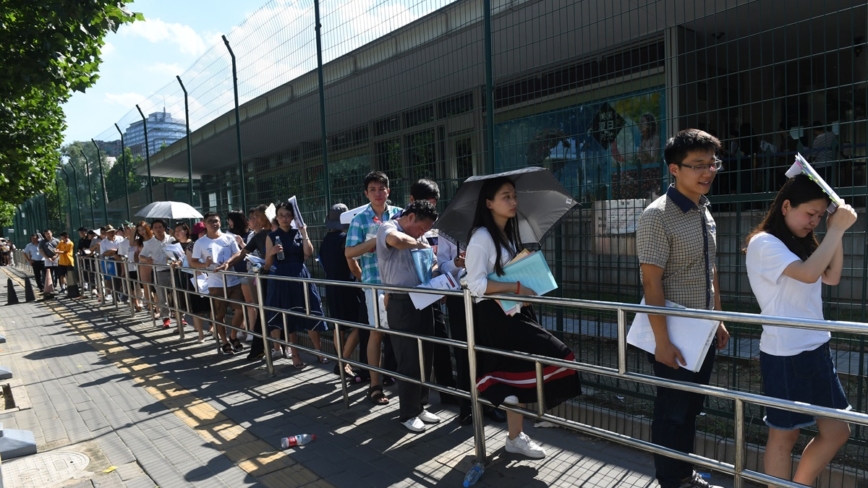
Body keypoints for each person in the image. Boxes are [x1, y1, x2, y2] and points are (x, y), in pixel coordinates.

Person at [744, 174, 856, 487]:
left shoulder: (799, 242)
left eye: (821, 217)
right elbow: (809, 274)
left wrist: (838, 232)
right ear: (786, 206)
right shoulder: (764, 243)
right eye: (810, 214)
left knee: (837, 432)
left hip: (815, 347)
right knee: (784, 434)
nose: (814, 222)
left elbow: (831, 276)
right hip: (785, 352)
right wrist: (835, 229)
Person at [636, 129, 730, 488]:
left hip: (702, 331)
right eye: (698, 165)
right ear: (674, 169)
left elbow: (710, 271)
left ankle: (684, 473)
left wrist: (718, 319)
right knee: (672, 411)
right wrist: (662, 342)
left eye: (712, 163)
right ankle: (671, 480)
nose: (708, 172)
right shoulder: (657, 215)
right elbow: (651, 283)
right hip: (673, 333)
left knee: (691, 409)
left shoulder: (705, 211)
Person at [464, 176, 581, 459]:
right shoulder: (481, 237)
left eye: (514, 196)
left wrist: (525, 285)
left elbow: (503, 276)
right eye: (506, 196)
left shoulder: (507, 234)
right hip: (495, 318)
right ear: (489, 203)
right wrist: (515, 286)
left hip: (514, 312)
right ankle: (518, 435)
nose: (513, 201)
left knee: (513, 378)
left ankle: (515, 437)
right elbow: (476, 285)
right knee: (549, 357)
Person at [376, 200, 442, 432]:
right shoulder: (388, 227)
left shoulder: (420, 238)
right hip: (401, 302)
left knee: (426, 355)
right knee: (409, 358)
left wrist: (440, 275)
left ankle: (420, 405)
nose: (423, 233)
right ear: (411, 216)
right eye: (421, 228)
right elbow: (397, 241)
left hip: (424, 300)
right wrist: (419, 243)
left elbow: (432, 265)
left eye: (425, 231)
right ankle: (407, 412)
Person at [345, 171, 403, 406]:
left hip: (399, 283)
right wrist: (374, 242)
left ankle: (405, 383)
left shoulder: (400, 214)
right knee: (376, 334)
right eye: (373, 189)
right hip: (374, 284)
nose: (378, 193)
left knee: (402, 334)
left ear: (388, 191)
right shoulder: (360, 219)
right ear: (366, 193)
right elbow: (349, 253)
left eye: (382, 188)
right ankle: (375, 385)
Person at [260, 202, 328, 366]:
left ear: (292, 217)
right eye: (281, 215)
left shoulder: (298, 232)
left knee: (310, 311)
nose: (284, 218)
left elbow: (308, 253)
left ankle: (318, 351)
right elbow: (267, 264)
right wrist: (271, 252)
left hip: (301, 274)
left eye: (288, 215)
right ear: (276, 217)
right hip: (282, 277)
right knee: (288, 316)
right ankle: (295, 354)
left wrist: (304, 233)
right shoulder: (271, 236)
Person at [319, 203, 366, 381]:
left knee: (338, 326)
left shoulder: (325, 240)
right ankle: (343, 361)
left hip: (331, 285)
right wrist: (363, 279)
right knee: (360, 324)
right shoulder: (346, 239)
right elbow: (352, 266)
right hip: (348, 285)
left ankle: (342, 361)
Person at [191, 212, 244, 355]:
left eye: (216, 221)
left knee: (240, 310)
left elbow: (238, 253)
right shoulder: (200, 242)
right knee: (219, 314)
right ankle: (224, 341)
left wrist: (228, 263)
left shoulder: (229, 238)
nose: (214, 224)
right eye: (210, 221)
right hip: (215, 283)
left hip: (233, 280)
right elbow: (193, 262)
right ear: (205, 223)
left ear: (220, 222)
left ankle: (233, 336)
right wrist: (205, 265)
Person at [139, 220, 182, 328]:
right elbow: (141, 256)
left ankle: (180, 318)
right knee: (162, 297)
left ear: (164, 228)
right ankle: (166, 318)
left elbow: (180, 253)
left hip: (174, 270)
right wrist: (147, 260)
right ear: (152, 229)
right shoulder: (149, 243)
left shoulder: (172, 239)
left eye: (160, 227)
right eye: (155, 227)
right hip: (159, 271)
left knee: (177, 295)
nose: (158, 229)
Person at [173, 222, 209, 342]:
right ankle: (200, 334)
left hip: (212, 278)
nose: (204, 234)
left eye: (205, 231)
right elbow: (191, 263)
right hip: (194, 279)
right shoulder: (191, 246)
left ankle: (216, 330)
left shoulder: (214, 242)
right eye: (201, 232)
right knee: (196, 307)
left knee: (214, 307)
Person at [39, 229, 60, 298]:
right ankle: (50, 286)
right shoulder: (42, 242)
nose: (47, 235)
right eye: (46, 234)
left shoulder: (56, 241)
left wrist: (56, 255)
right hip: (48, 259)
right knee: (49, 273)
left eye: (48, 233)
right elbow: (41, 250)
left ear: (51, 233)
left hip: (56, 258)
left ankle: (55, 285)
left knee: (57, 273)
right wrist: (47, 257)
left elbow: (59, 249)